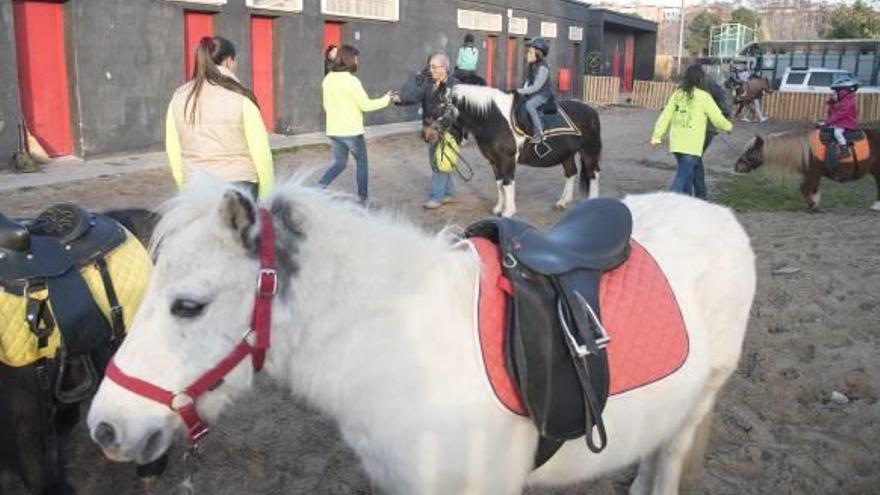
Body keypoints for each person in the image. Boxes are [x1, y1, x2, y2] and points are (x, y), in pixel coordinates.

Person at [165, 36, 273, 199]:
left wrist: (183, 186)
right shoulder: (241, 96)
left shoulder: (179, 97)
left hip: (195, 185)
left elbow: (173, 149)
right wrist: (267, 195)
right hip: (240, 186)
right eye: (235, 61)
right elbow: (261, 151)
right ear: (229, 61)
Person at [319, 44, 392, 204]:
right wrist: (386, 99)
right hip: (352, 131)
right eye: (356, 58)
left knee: (339, 163)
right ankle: (363, 200)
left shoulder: (328, 79)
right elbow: (366, 105)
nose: (358, 61)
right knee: (361, 164)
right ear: (349, 60)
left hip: (333, 130)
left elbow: (325, 106)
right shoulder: (352, 82)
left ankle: (318, 189)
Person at [651, 64, 733, 198]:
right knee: (682, 177)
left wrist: (657, 136)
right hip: (692, 145)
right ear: (701, 78)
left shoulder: (677, 94)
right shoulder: (704, 96)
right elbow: (717, 117)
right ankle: (667, 204)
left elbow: (665, 116)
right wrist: (728, 127)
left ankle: (687, 203)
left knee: (687, 175)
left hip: (677, 144)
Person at [392, 53, 459, 209]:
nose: (431, 70)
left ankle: (436, 197)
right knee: (439, 161)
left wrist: (440, 126)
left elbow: (454, 111)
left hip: (447, 131)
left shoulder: (454, 86)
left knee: (439, 162)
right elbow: (415, 96)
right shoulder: (429, 83)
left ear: (445, 68)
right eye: (430, 66)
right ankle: (450, 193)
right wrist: (400, 99)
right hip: (430, 129)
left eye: (434, 67)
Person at [517, 38, 554, 144]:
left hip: (543, 95)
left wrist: (519, 91)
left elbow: (536, 87)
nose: (527, 54)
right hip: (534, 93)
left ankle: (540, 133)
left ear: (538, 53)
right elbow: (528, 82)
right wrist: (521, 91)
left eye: (530, 51)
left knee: (530, 105)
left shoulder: (543, 68)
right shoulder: (532, 65)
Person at [824, 75, 860, 159]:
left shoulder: (848, 102)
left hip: (847, 123)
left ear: (842, 92)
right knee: (827, 129)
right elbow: (832, 113)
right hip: (840, 123)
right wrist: (832, 102)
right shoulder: (841, 102)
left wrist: (828, 122)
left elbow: (840, 114)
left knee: (837, 132)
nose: (833, 94)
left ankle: (844, 149)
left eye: (835, 92)